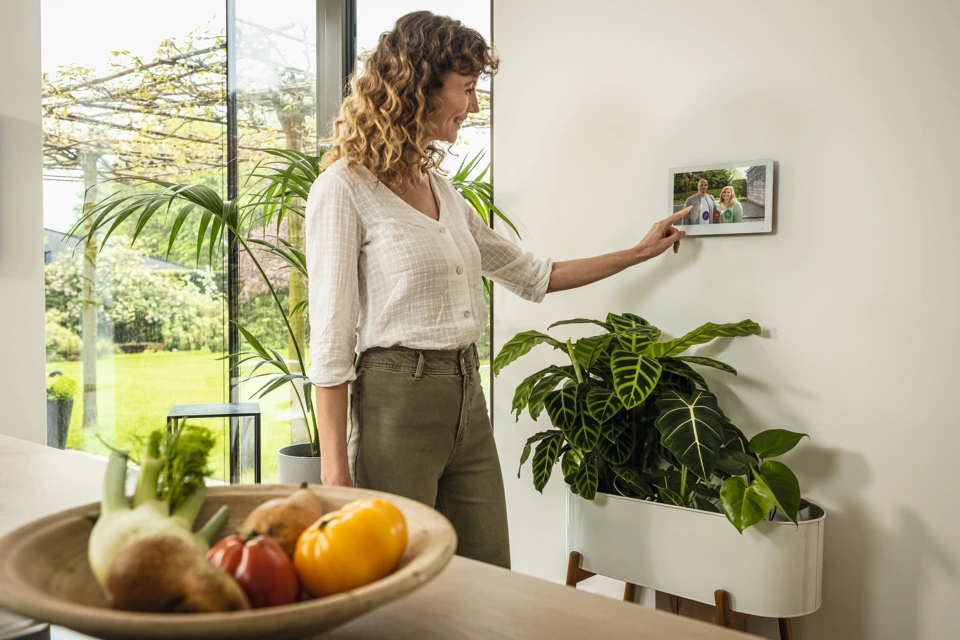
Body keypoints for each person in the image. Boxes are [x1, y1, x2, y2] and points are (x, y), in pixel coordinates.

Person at [304, 11, 690, 570]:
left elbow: (531, 274)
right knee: (395, 580)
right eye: (465, 89)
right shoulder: (343, 188)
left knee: (489, 571)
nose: (474, 106)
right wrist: (334, 472)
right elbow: (331, 339)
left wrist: (638, 251)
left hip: (467, 390)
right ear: (419, 86)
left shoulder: (441, 190)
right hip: (395, 402)